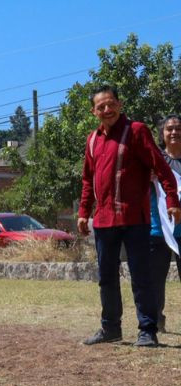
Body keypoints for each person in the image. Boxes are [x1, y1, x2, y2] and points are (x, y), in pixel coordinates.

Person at [77, 86, 181, 347]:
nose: (106, 110)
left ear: (119, 105)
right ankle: (110, 328)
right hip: (103, 221)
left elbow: (161, 167)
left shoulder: (136, 131)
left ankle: (147, 330)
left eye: (110, 104)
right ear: (94, 111)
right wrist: (83, 212)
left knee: (141, 275)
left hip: (135, 219)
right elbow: (88, 179)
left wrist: (172, 200)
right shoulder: (92, 140)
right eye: (101, 107)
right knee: (106, 277)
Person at [148, 114, 181, 333]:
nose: (174, 132)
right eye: (169, 129)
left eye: (178, 128)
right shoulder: (154, 161)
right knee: (155, 281)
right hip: (158, 229)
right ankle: (156, 320)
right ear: (162, 133)